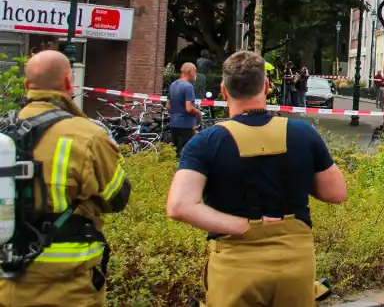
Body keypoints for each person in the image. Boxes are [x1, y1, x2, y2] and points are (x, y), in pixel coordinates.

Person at [167, 51, 347, 307]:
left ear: (223, 90)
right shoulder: (303, 134)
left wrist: (242, 226)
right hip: (294, 265)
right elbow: (336, 193)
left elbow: (179, 206)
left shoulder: (206, 143)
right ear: (265, 86)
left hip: (235, 268)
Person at [0, 50, 131, 306]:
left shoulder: (4, 133)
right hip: (69, 284)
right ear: (69, 84)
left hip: (8, 278)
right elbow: (117, 198)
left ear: (27, 86)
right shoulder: (88, 135)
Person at [168, 63, 202, 154]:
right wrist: (198, 112)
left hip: (174, 123)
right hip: (186, 124)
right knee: (187, 152)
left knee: (176, 152)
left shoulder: (173, 85)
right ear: (190, 72)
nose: (196, 74)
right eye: (195, 71)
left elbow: (168, 105)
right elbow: (189, 108)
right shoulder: (188, 86)